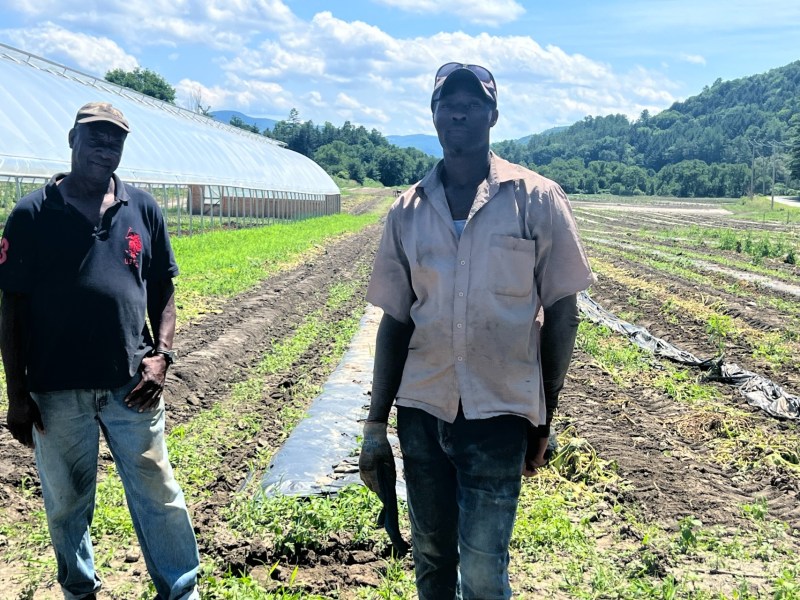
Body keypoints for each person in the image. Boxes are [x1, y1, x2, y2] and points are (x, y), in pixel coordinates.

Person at [359, 63, 595, 599]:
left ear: (493, 114)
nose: (458, 111)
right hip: (422, 413)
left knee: (485, 571)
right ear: (434, 114)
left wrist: (544, 418)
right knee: (432, 558)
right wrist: (377, 425)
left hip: (498, 416)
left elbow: (562, 312)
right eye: (448, 102)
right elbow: (395, 320)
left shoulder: (536, 200)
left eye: (472, 102)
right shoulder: (407, 211)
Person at [0, 102, 200, 600]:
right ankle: (79, 589)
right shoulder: (31, 214)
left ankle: (180, 589)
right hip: (56, 387)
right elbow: (11, 309)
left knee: (158, 492)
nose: (105, 147)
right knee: (66, 501)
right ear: (72, 139)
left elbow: (163, 288)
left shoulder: (143, 208)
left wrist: (163, 355)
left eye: (115, 140)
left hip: (130, 384)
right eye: (95, 137)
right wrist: (17, 394)